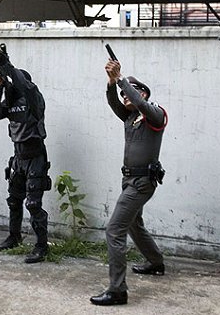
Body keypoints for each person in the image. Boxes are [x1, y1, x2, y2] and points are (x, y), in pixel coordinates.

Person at [90, 58, 167, 306]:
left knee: (114, 229)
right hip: (130, 180)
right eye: (124, 94)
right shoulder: (129, 118)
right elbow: (114, 101)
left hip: (142, 182)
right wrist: (113, 83)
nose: (125, 96)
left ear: (142, 93)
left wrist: (122, 78)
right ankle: (155, 262)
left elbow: (141, 103)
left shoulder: (154, 114)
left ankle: (117, 290)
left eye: (130, 92)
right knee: (134, 224)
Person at [0, 49, 51, 264]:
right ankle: (14, 236)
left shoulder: (34, 99)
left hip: (35, 157)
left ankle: (41, 247)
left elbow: (24, 85)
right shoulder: (11, 101)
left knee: (33, 204)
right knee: (14, 201)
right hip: (18, 158)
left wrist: (8, 66)